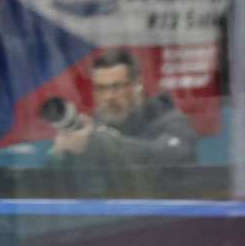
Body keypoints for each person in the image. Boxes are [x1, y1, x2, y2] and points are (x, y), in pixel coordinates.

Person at [45, 49, 197, 166]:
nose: (108, 96)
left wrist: (98, 145)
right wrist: (63, 155)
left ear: (137, 84)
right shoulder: (96, 127)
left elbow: (174, 155)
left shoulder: (171, 121)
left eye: (116, 87)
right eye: (100, 89)